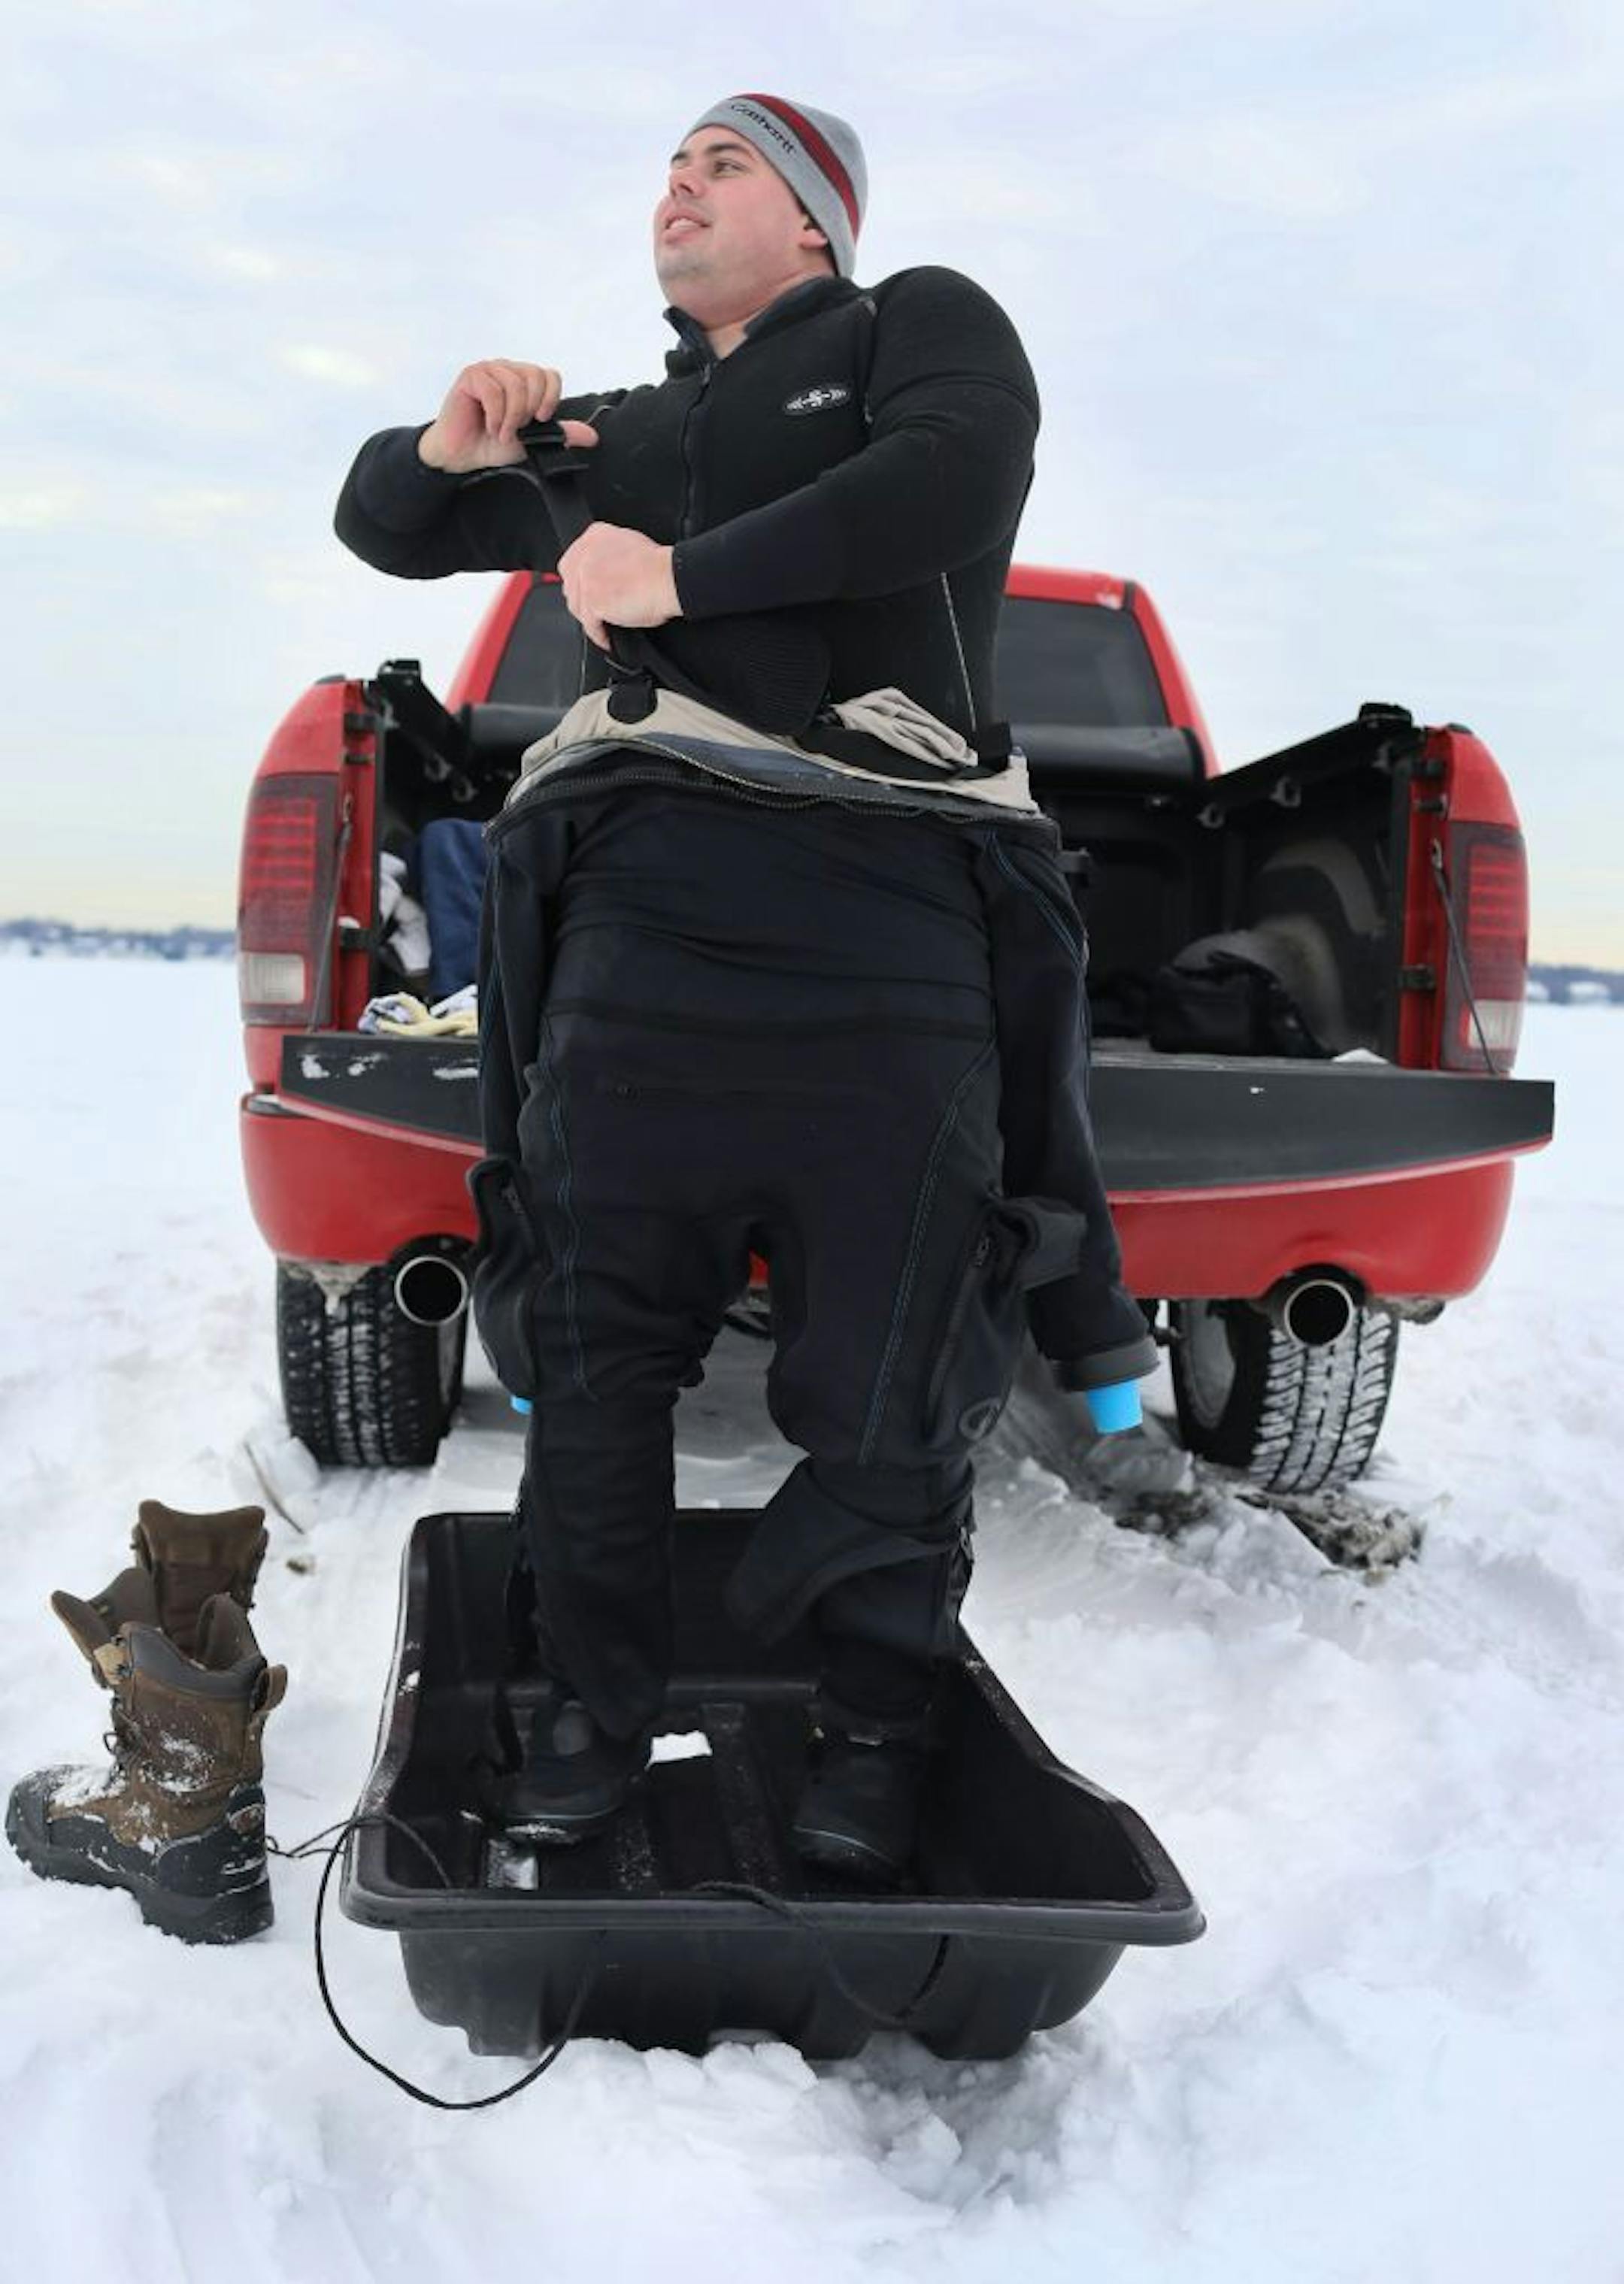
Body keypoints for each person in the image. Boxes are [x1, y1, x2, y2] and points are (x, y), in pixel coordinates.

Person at [335, 92, 1157, 1884]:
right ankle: (588, 1722)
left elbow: (956, 475)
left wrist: (679, 574)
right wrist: (449, 441)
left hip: (890, 926)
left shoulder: (903, 326)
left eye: (724, 165)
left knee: (890, 1383)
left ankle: (875, 1730)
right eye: (669, 168)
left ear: (813, 220)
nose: (677, 190)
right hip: (644, 938)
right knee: (596, 1363)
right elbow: (385, 527)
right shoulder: (617, 429)